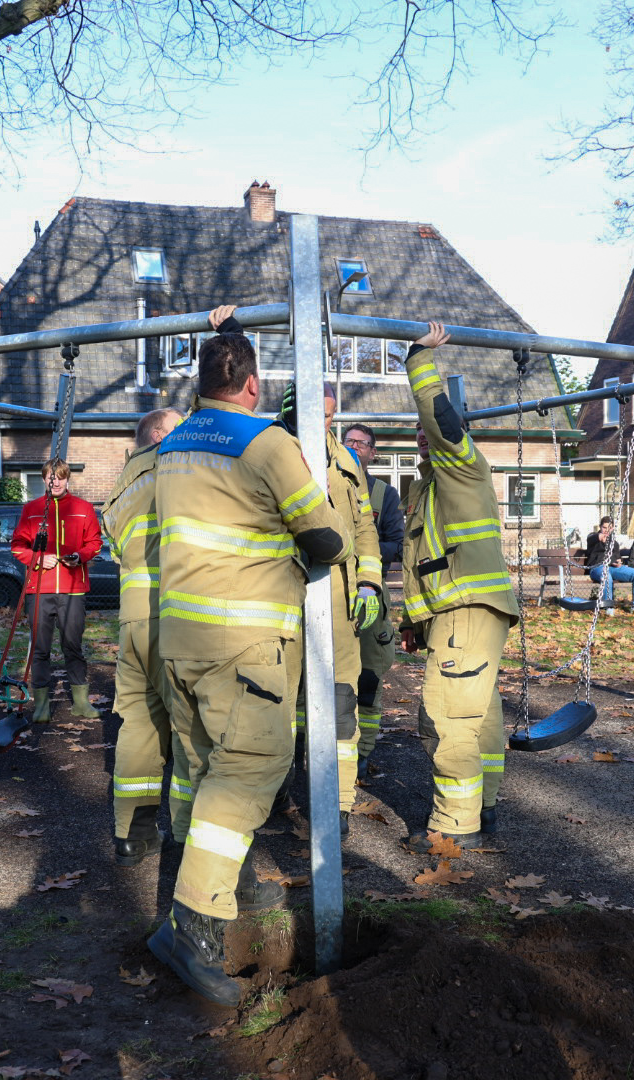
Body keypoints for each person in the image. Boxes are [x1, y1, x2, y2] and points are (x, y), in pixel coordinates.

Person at [147, 306, 353, 1006]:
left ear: (200, 382)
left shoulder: (172, 446)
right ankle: (195, 927)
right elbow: (326, 540)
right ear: (254, 386)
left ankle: (183, 901)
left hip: (179, 640)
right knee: (247, 775)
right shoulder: (266, 444)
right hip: (244, 646)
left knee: (198, 771)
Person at [397, 322, 516, 853]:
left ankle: (454, 826)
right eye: (417, 433)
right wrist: (413, 622)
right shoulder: (428, 487)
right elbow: (423, 561)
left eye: (431, 429)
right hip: (464, 613)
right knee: (480, 715)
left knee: (447, 719)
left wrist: (418, 359)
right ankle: (483, 807)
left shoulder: (462, 464)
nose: (424, 434)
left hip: (467, 609)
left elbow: (440, 418)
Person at [282, 386, 382, 837]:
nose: (318, 423)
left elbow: (364, 529)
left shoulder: (346, 462)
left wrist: (369, 582)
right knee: (276, 703)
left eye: (326, 415)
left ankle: (338, 804)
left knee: (341, 702)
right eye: (309, 413)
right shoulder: (268, 451)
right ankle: (273, 793)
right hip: (279, 597)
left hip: (340, 602)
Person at [100, 407, 188, 866]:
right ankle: (190, 837)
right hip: (174, 613)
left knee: (138, 726)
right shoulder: (172, 466)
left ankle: (132, 835)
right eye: (178, 426)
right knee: (192, 727)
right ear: (158, 434)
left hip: (132, 619)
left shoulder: (119, 487)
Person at [10, 458, 102, 721]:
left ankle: (81, 703)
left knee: (73, 646)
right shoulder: (32, 509)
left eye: (60, 476)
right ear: (44, 479)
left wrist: (80, 556)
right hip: (39, 589)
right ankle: (41, 706)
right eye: (51, 477)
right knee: (40, 648)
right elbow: (17, 546)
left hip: (73, 589)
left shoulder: (84, 509)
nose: (56, 481)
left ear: (67, 478)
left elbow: (95, 542)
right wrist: (38, 559)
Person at [342, 423, 401, 778]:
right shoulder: (323, 484)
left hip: (370, 598)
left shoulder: (385, 494)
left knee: (368, 678)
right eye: (349, 441)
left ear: (372, 453)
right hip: (327, 598)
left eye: (363, 444)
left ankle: (363, 753)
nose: (356, 447)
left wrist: (360, 547)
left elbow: (396, 543)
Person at [579, 516, 634, 615]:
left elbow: (616, 557)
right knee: (607, 575)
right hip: (597, 568)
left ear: (612, 528)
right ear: (600, 527)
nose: (606, 530)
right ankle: (608, 606)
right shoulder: (593, 538)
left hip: (612, 568)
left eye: (609, 528)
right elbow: (591, 538)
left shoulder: (614, 543)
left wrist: (618, 562)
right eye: (604, 527)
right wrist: (599, 536)